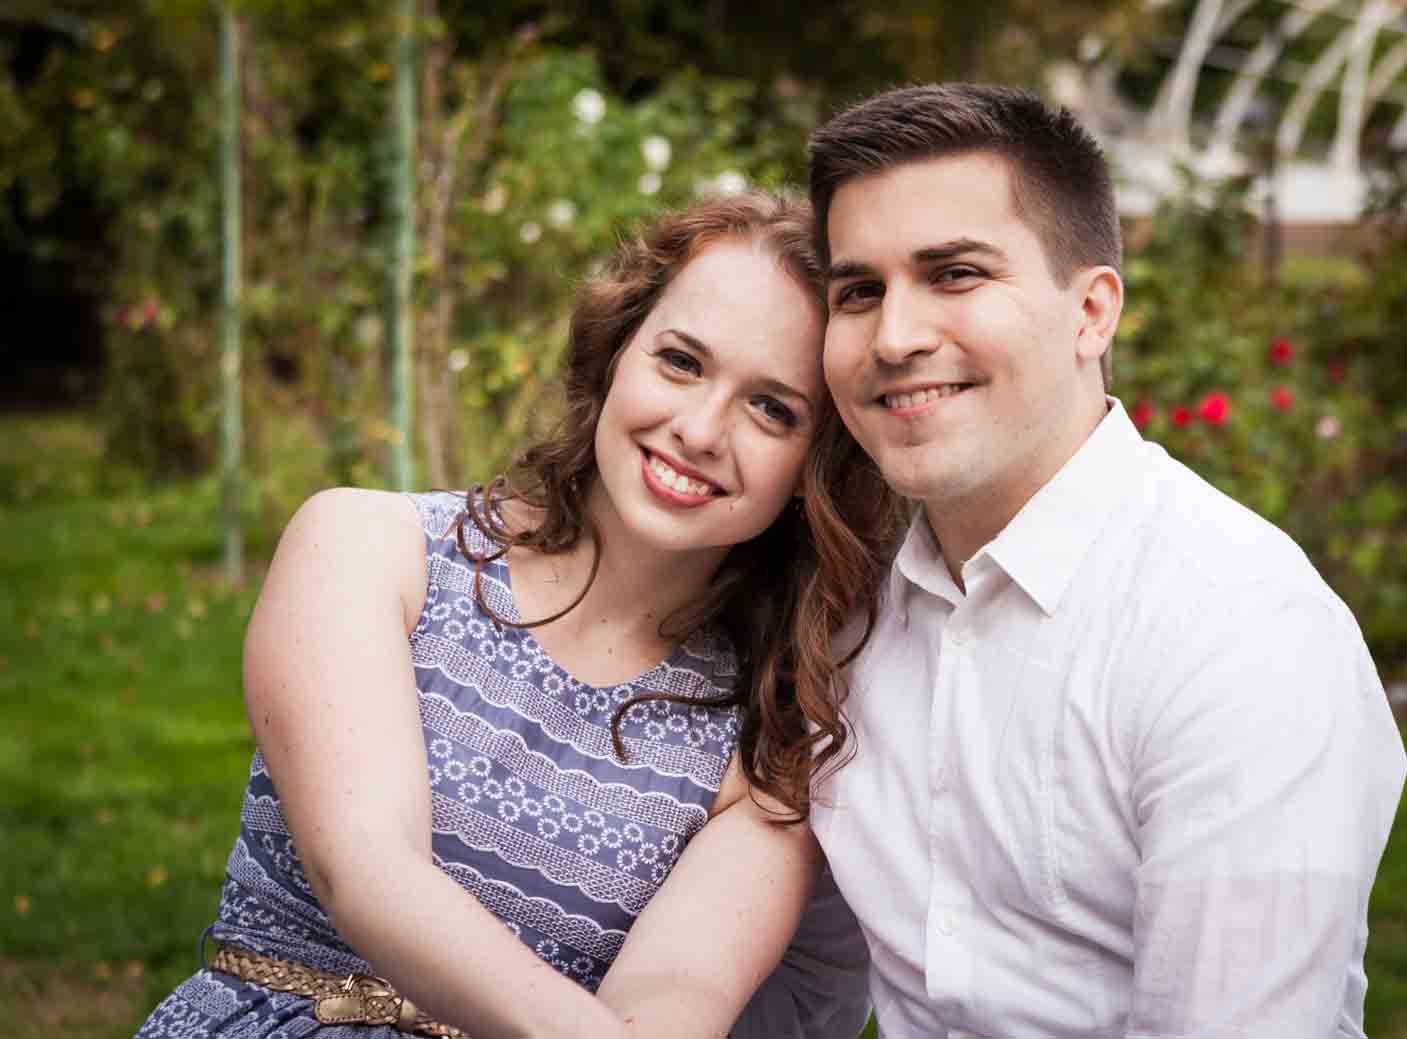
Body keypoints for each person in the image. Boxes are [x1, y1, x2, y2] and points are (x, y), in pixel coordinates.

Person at [136, 192, 900, 1039]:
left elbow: (675, 1000)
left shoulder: (767, 751)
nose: (700, 429)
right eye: (681, 362)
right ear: (617, 354)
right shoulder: (369, 548)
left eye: (772, 408)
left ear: (812, 467)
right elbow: (368, 869)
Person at [806, 83, 1407, 1038]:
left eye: (956, 273)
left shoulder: (1239, 627)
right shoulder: (842, 614)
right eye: (858, 291)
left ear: (1092, 312)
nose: (895, 336)